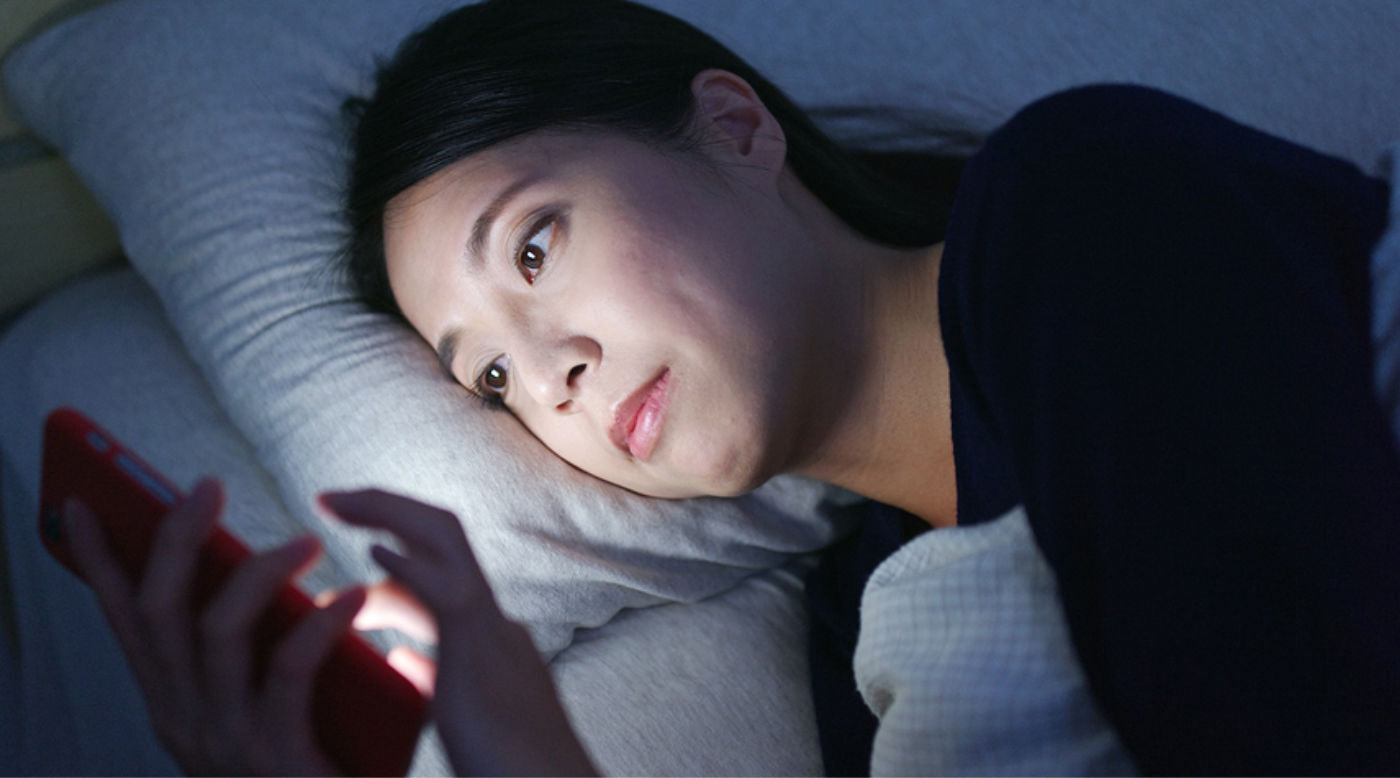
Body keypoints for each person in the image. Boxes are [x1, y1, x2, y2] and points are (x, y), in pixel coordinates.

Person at [63, 0, 1400, 774]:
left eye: (536, 244)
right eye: (489, 379)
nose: (552, 376)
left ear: (738, 126)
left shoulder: (1080, 204)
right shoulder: (861, 639)